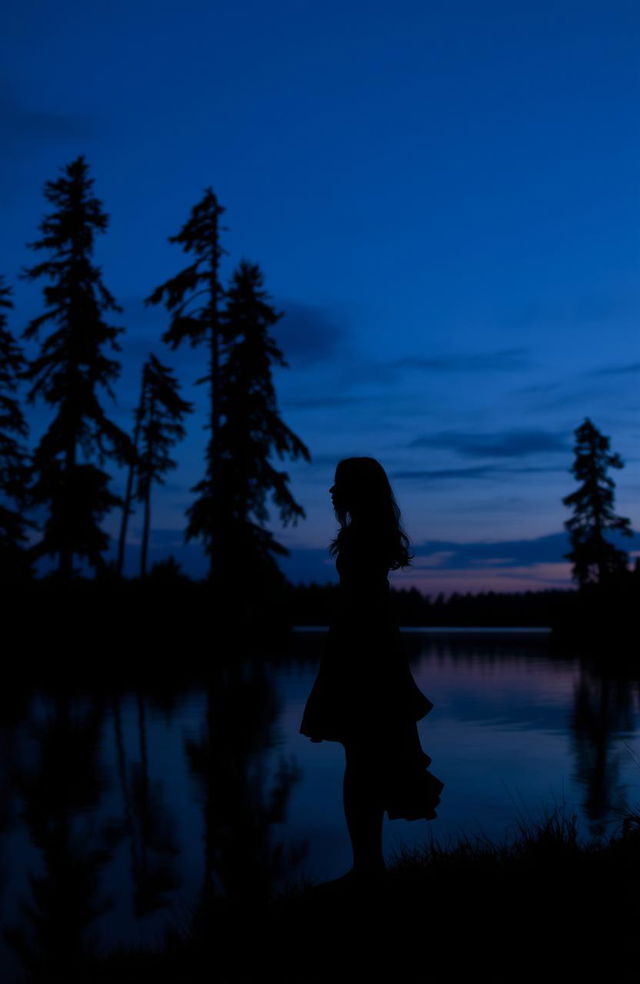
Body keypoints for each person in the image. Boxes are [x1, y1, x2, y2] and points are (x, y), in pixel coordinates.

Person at [299, 456, 444, 889]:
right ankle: (368, 865)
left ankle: (367, 868)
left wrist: (355, 653)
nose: (331, 491)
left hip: (364, 656)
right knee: (363, 759)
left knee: (363, 760)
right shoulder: (363, 533)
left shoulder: (364, 537)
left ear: (357, 490)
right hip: (364, 652)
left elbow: (366, 606)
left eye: (338, 484)